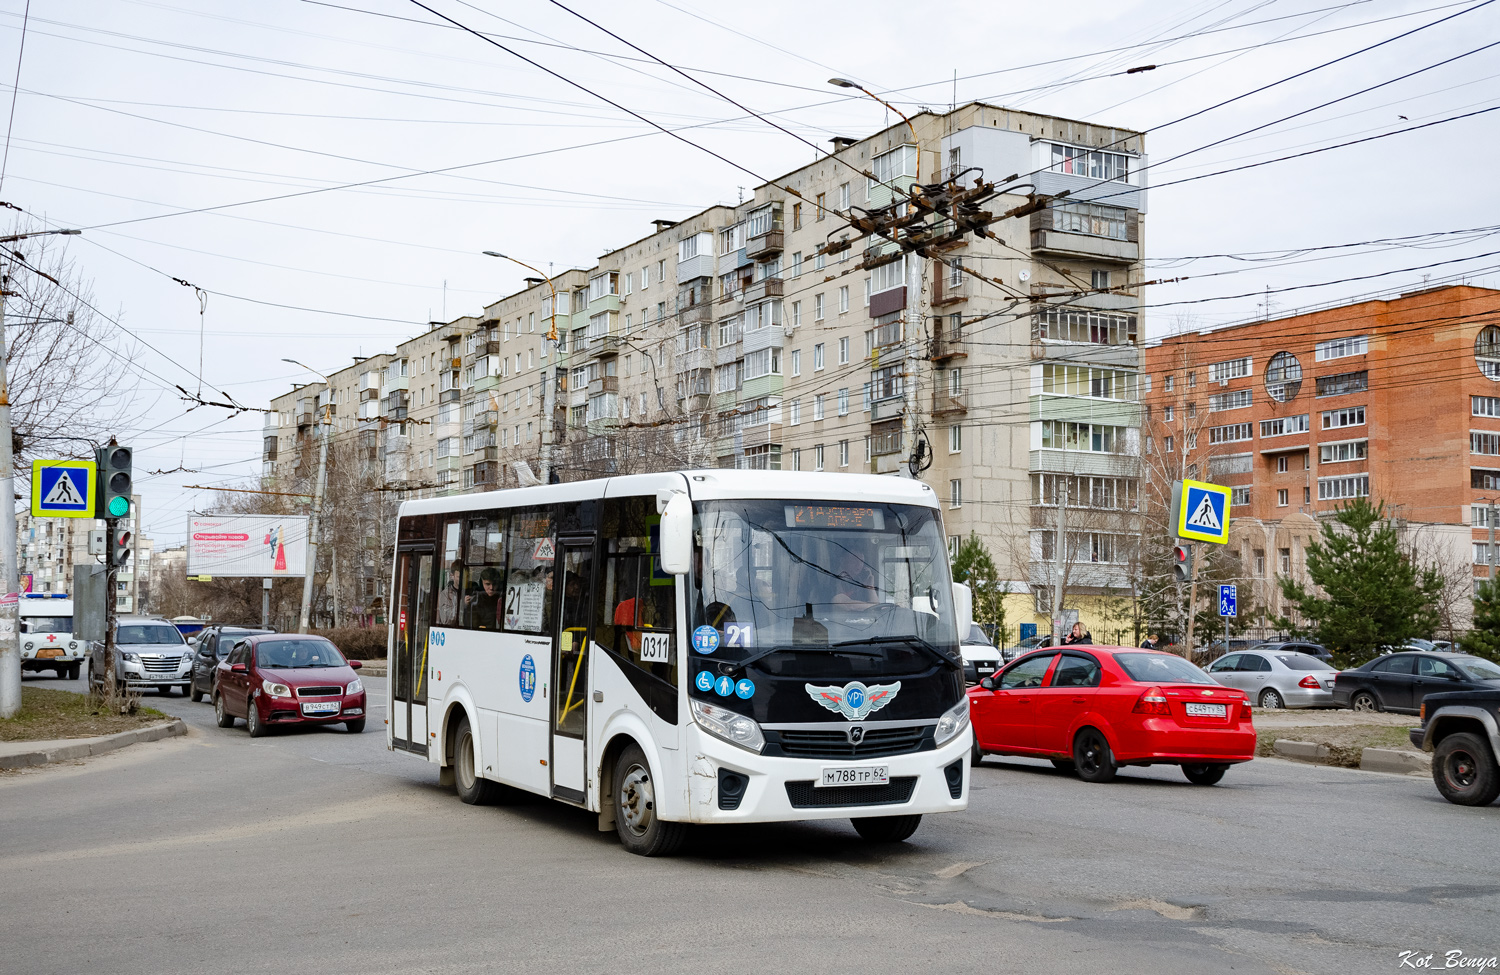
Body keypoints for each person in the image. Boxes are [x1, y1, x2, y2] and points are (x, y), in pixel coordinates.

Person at [436, 560, 462, 626]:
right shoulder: (445, 594)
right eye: (459, 577)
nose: (463, 579)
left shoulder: (473, 592)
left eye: (466, 576)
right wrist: (461, 605)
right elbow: (446, 620)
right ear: (452, 576)